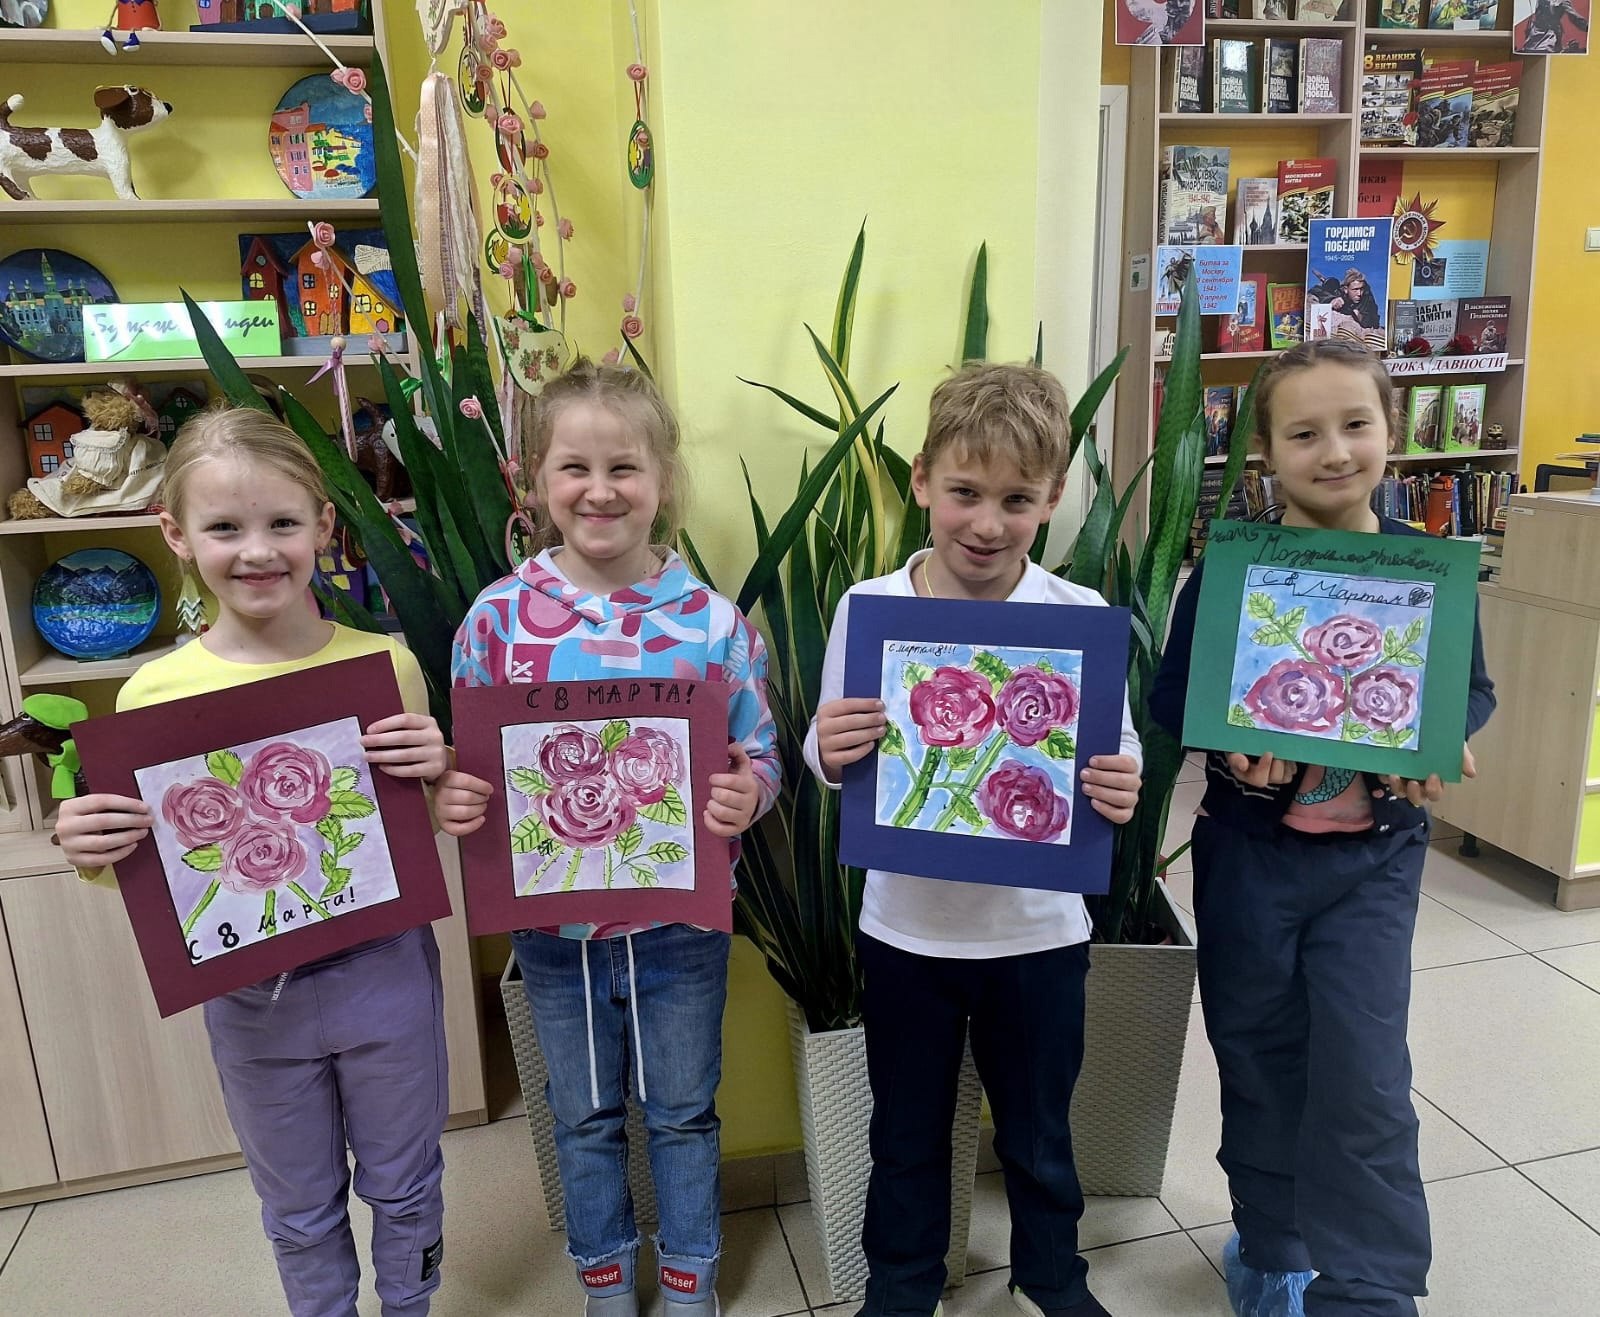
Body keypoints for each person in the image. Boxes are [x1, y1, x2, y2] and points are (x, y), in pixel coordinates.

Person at [56, 406, 454, 1316]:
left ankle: (410, 1305)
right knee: (298, 1205)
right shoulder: (151, 694)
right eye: (226, 527)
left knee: (405, 1182)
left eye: (282, 522)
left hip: (384, 971)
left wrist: (441, 772)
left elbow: (417, 824)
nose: (259, 550)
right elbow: (151, 864)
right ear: (176, 535)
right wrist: (91, 847)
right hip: (251, 995)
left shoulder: (387, 667)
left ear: (323, 524)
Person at [1149, 340, 1496, 1317]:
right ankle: (1271, 1247)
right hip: (1248, 858)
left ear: (1392, 432)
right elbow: (1175, 696)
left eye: (1356, 424)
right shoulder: (1227, 573)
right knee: (1258, 1056)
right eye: (1304, 433)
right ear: (1264, 451)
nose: (1335, 450)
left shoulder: (1428, 572)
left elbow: (1470, 688)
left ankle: (1371, 1292)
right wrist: (1228, 750)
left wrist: (1443, 736)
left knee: (1366, 1079)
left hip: (1373, 864)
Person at [434, 359, 780, 1317]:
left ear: (663, 478)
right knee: (582, 1116)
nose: (600, 489)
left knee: (682, 1110)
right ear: (535, 481)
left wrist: (747, 795)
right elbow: (472, 770)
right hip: (557, 939)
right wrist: (455, 798)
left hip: (683, 928)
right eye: (574, 467)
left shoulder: (712, 626)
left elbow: (760, 754)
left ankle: (691, 1277)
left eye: (624, 466)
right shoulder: (496, 622)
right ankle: (605, 1281)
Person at [805, 362, 1144, 1317]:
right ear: (921, 480)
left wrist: (1121, 779)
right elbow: (827, 754)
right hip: (906, 932)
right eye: (964, 492)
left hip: (1039, 935)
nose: (987, 523)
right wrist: (827, 748)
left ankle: (1053, 1276)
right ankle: (901, 1286)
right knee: (906, 1132)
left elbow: (1115, 747)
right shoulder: (869, 608)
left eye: (1016, 500)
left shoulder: (1078, 620)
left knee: (1039, 1131)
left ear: (1054, 498)